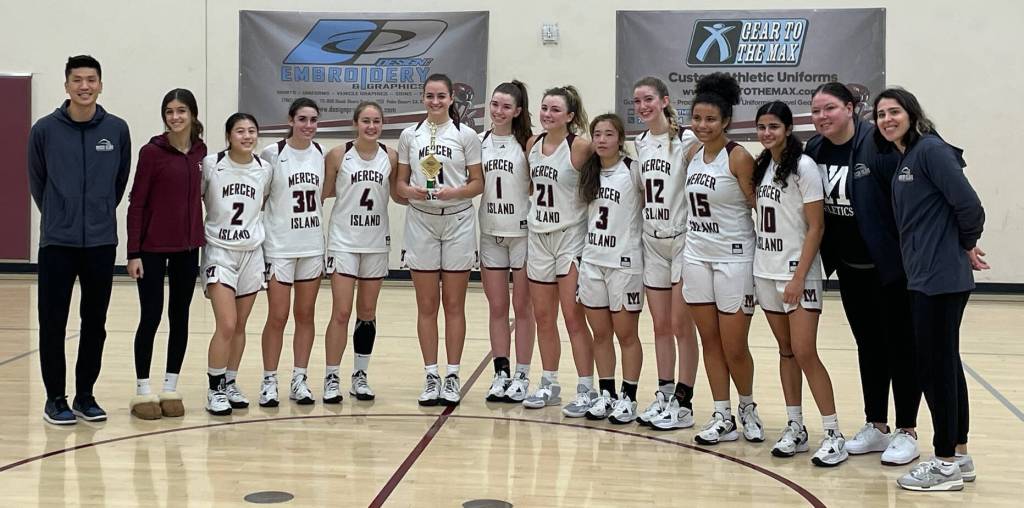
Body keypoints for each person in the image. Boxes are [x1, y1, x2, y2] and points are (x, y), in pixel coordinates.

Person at [872, 88, 986, 491]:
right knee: (946, 367)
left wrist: (966, 243)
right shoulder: (907, 156)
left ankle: (944, 463)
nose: (887, 119)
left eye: (894, 111)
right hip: (925, 276)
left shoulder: (931, 151)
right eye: (881, 114)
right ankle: (960, 454)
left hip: (939, 279)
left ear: (911, 113)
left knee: (935, 371)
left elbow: (970, 206)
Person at [805, 83, 922, 466]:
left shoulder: (878, 143)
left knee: (901, 348)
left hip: (890, 268)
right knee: (869, 347)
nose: (822, 116)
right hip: (851, 269)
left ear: (851, 108)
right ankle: (877, 424)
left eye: (830, 108)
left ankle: (907, 429)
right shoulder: (815, 150)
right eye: (816, 110)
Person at [28, 55, 131, 425]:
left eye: (91, 79)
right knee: (52, 323)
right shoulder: (44, 130)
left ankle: (85, 395)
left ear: (101, 84)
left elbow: (119, 182)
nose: (84, 86)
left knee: (94, 322)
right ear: (67, 85)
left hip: (101, 242)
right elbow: (38, 181)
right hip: (57, 241)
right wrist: (61, 213)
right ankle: (55, 398)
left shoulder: (117, 130)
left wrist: (99, 212)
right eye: (77, 80)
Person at [752, 102, 847, 466]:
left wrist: (798, 277)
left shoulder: (804, 167)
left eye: (773, 126)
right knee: (786, 351)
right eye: (761, 127)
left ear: (788, 129)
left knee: (806, 352)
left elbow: (816, 227)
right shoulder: (763, 165)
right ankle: (796, 426)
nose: (766, 133)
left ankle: (834, 433)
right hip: (766, 269)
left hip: (797, 272)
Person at [678, 73, 763, 445]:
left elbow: (759, 204)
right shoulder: (692, 152)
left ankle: (747, 407)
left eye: (710, 119)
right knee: (709, 342)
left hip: (734, 259)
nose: (702, 125)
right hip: (697, 256)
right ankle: (722, 413)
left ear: (726, 121)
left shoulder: (740, 157)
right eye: (697, 118)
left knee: (734, 347)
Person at [396, 74, 484, 407]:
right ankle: (431, 375)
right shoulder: (410, 135)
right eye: (430, 96)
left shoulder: (467, 135)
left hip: (459, 220)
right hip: (421, 220)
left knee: (454, 305)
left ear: (451, 100)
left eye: (441, 96)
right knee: (427, 305)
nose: (435, 102)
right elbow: (400, 186)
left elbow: (477, 183)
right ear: (423, 98)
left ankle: (453, 375)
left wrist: (455, 191)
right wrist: (412, 192)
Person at [125, 88, 206, 419]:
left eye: (182, 111)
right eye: (170, 111)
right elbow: (137, 204)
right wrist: (133, 252)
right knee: (151, 316)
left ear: (193, 115)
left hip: (188, 250)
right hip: (152, 249)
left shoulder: (202, 154)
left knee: (180, 317)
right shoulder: (151, 153)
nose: (176, 117)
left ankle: (170, 386)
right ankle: (143, 389)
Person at [520, 86, 597, 416]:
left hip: (570, 238)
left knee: (572, 316)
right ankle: (549, 383)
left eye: (555, 110)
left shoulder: (580, 148)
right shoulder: (532, 144)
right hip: (538, 237)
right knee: (543, 317)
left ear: (569, 116)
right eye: (544, 108)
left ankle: (586, 388)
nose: (547, 114)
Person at [630, 76, 701, 429]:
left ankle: (684, 403)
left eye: (648, 100)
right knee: (658, 324)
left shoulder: (686, 140)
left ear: (664, 101)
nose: (642, 107)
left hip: (682, 238)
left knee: (679, 324)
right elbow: (643, 193)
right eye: (637, 101)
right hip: (652, 240)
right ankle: (664, 392)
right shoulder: (639, 142)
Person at [322, 102, 403, 402]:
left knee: (367, 313)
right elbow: (325, 191)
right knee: (341, 312)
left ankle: (360, 375)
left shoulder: (390, 157)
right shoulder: (338, 155)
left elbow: (398, 195)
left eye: (377, 121)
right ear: (355, 123)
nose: (371, 126)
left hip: (375, 242)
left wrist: (431, 193)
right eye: (366, 121)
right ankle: (331, 377)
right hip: (344, 241)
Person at [576, 114, 644, 424]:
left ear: (620, 139)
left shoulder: (633, 170)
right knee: (600, 333)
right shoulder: (589, 171)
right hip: (593, 261)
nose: (602, 140)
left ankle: (628, 397)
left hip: (624, 263)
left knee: (626, 334)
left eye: (609, 134)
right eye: (597, 134)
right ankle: (607, 393)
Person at [258, 98, 326, 407]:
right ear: (290, 120)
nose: (308, 125)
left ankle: (300, 378)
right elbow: (261, 199)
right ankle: (269, 380)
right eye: (302, 119)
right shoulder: (273, 154)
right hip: (280, 247)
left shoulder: (321, 154)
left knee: (305, 315)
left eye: (313, 120)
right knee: (278, 316)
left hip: (311, 245)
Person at [201, 113, 270, 416]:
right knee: (226, 324)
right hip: (219, 251)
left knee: (240, 325)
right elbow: (198, 199)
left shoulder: (264, 169)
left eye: (251, 131)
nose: (246, 136)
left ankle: (230, 382)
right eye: (239, 131)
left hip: (251, 252)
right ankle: (214, 387)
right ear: (228, 135)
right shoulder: (211, 164)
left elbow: (263, 203)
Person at [479, 81, 536, 403]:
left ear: (516, 111)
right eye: (494, 104)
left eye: (505, 106)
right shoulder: (478, 142)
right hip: (490, 232)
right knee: (497, 307)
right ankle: (501, 371)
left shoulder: (528, 143)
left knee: (522, 307)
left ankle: (522, 375)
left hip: (522, 234)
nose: (498, 111)